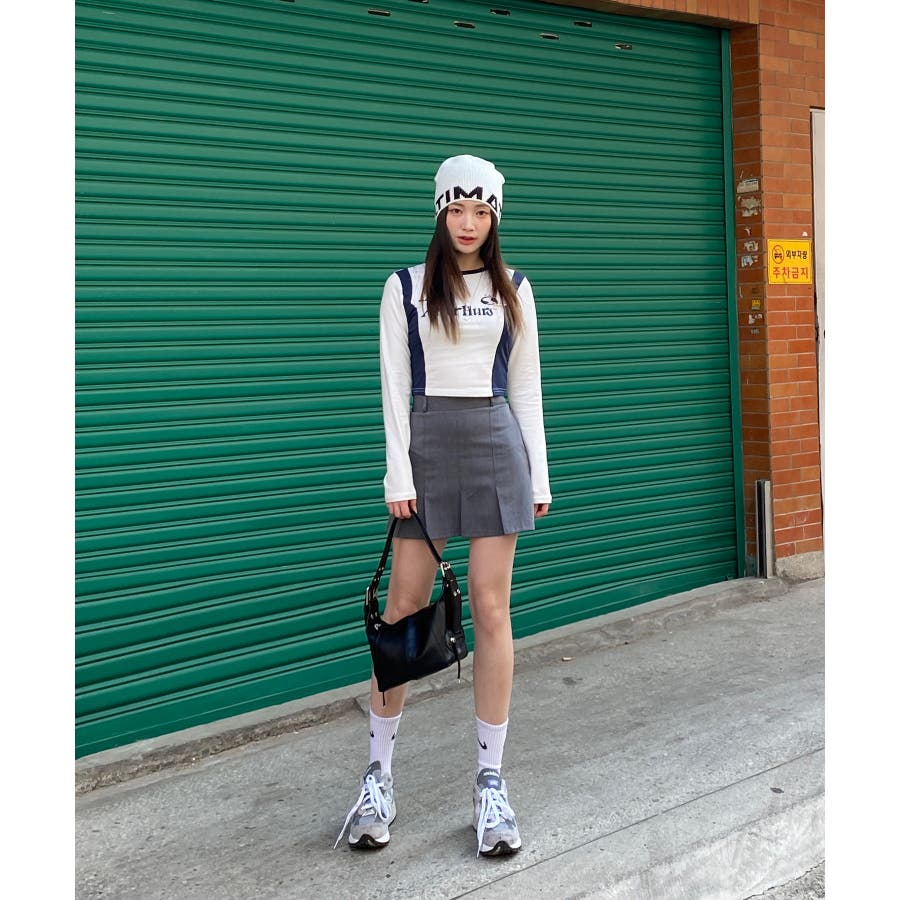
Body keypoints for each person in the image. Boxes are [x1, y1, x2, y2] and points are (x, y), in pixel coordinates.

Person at [334, 155, 551, 858]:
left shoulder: (515, 287)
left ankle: (491, 783)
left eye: (481, 211)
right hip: (425, 450)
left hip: (496, 445)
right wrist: (397, 472)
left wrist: (539, 475)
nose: (468, 223)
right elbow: (393, 386)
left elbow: (527, 387)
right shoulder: (404, 287)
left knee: (491, 610)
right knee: (403, 610)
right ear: (439, 211)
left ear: (494, 217)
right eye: (457, 209)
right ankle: (378, 776)